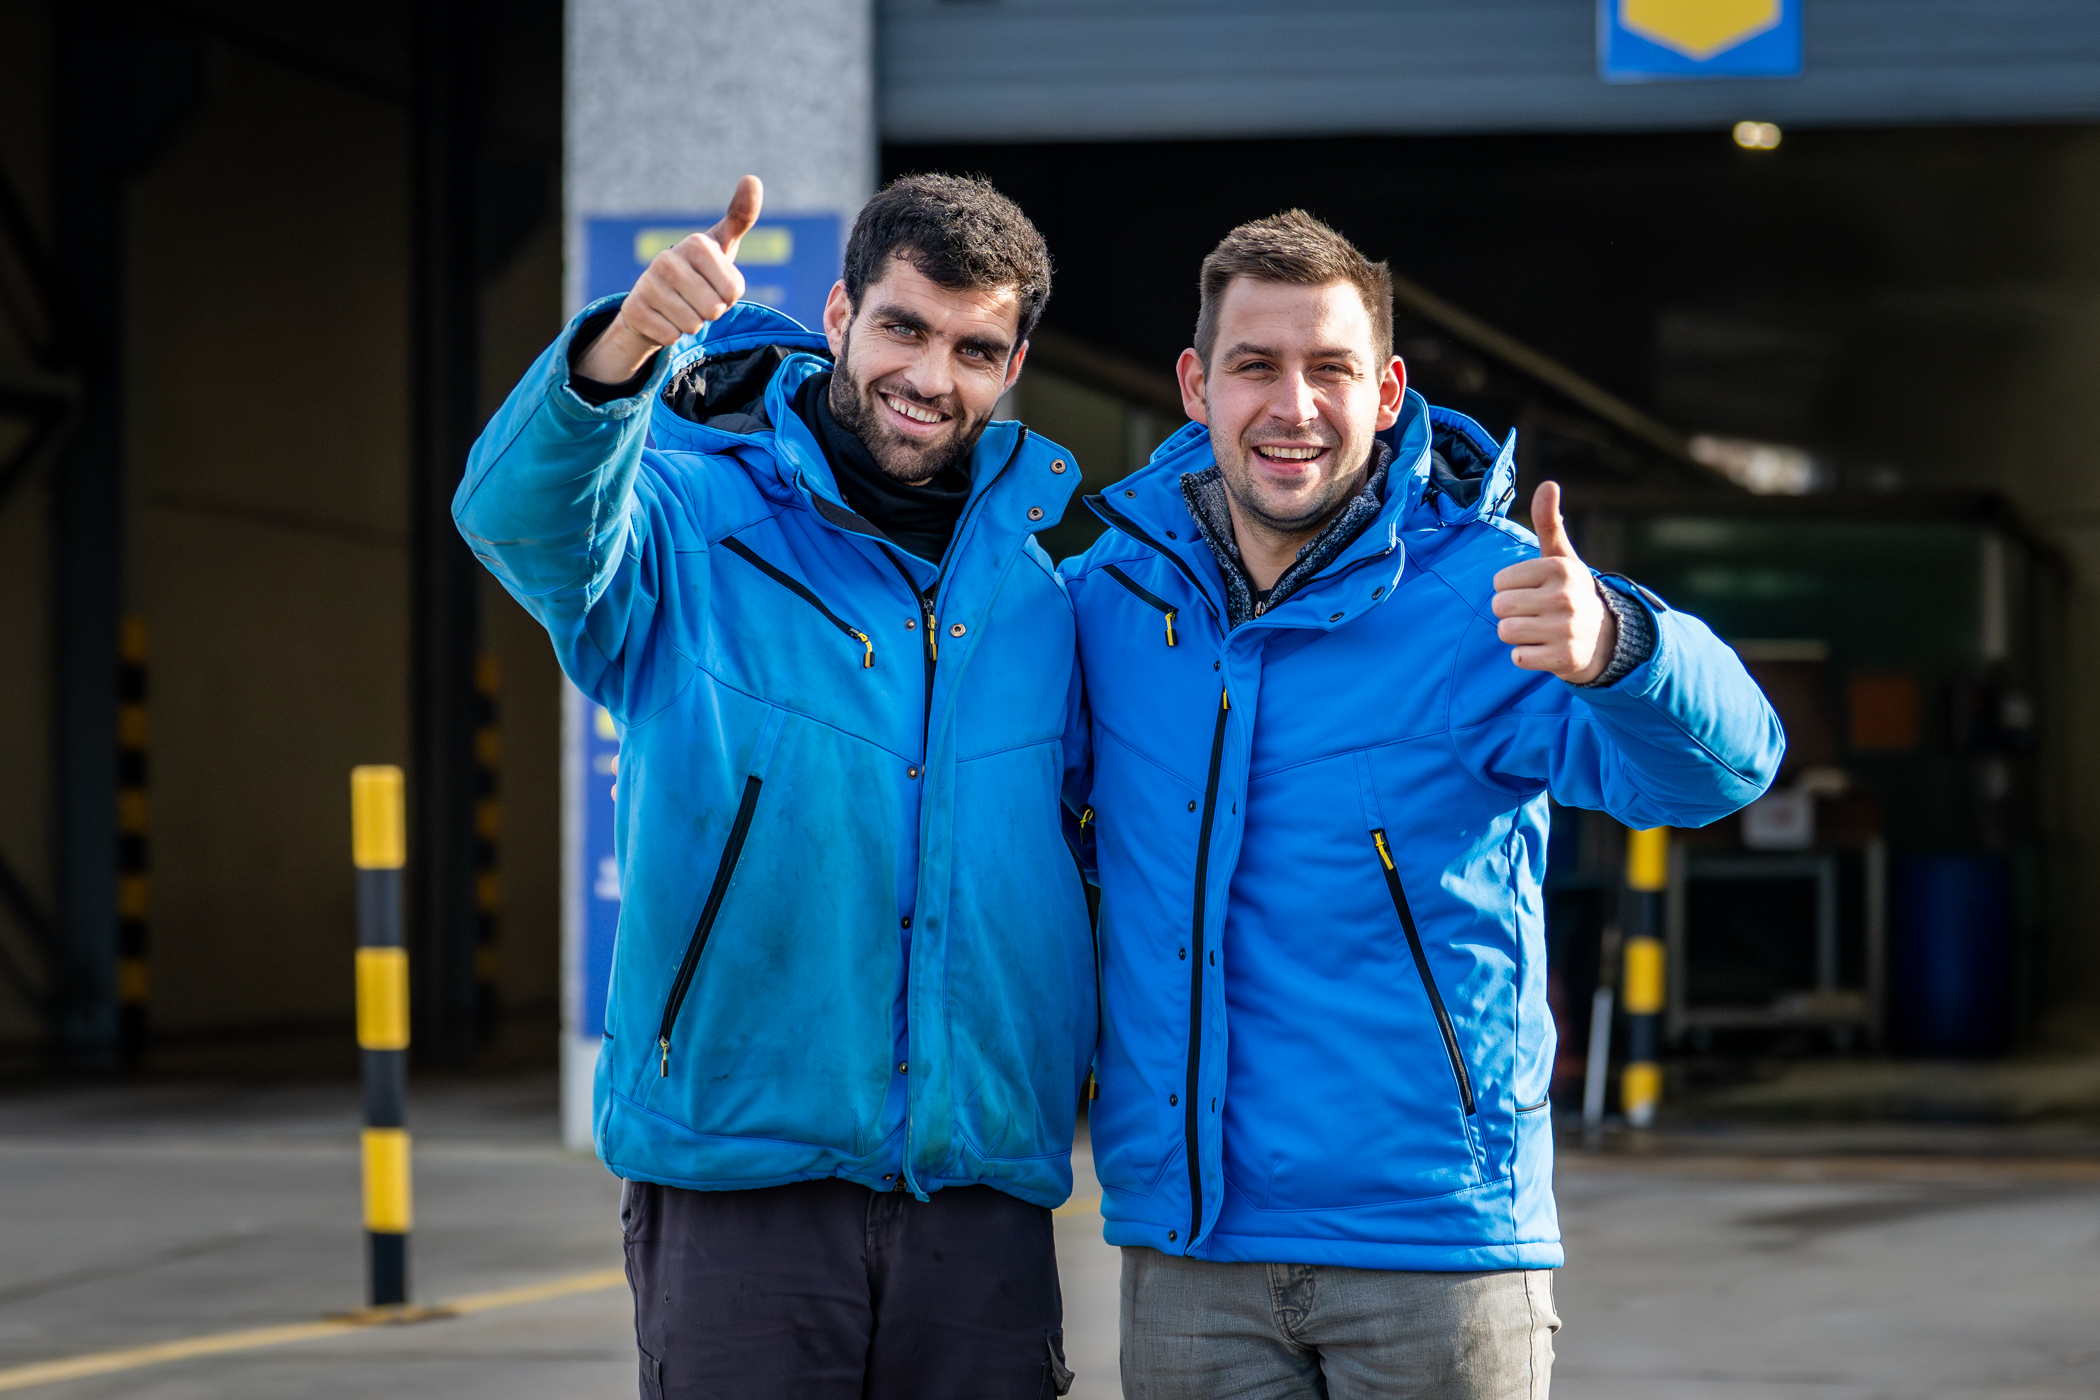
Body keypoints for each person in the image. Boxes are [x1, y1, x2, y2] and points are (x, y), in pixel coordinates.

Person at [1059, 211, 1784, 1399]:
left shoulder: (1488, 596)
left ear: (1388, 390)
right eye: (1256, 365)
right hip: (1191, 1256)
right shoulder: (1106, 603)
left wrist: (1626, 645)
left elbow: (1720, 771)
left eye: (1330, 368)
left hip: (1434, 1256)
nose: (1293, 405)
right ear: (1196, 385)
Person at [456, 172, 1091, 1399]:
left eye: (975, 347)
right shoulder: (689, 522)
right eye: (904, 326)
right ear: (843, 312)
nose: (931, 374)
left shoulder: (1042, 605)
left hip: (978, 1194)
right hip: (740, 1182)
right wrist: (625, 344)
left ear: (1011, 368)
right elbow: (518, 522)